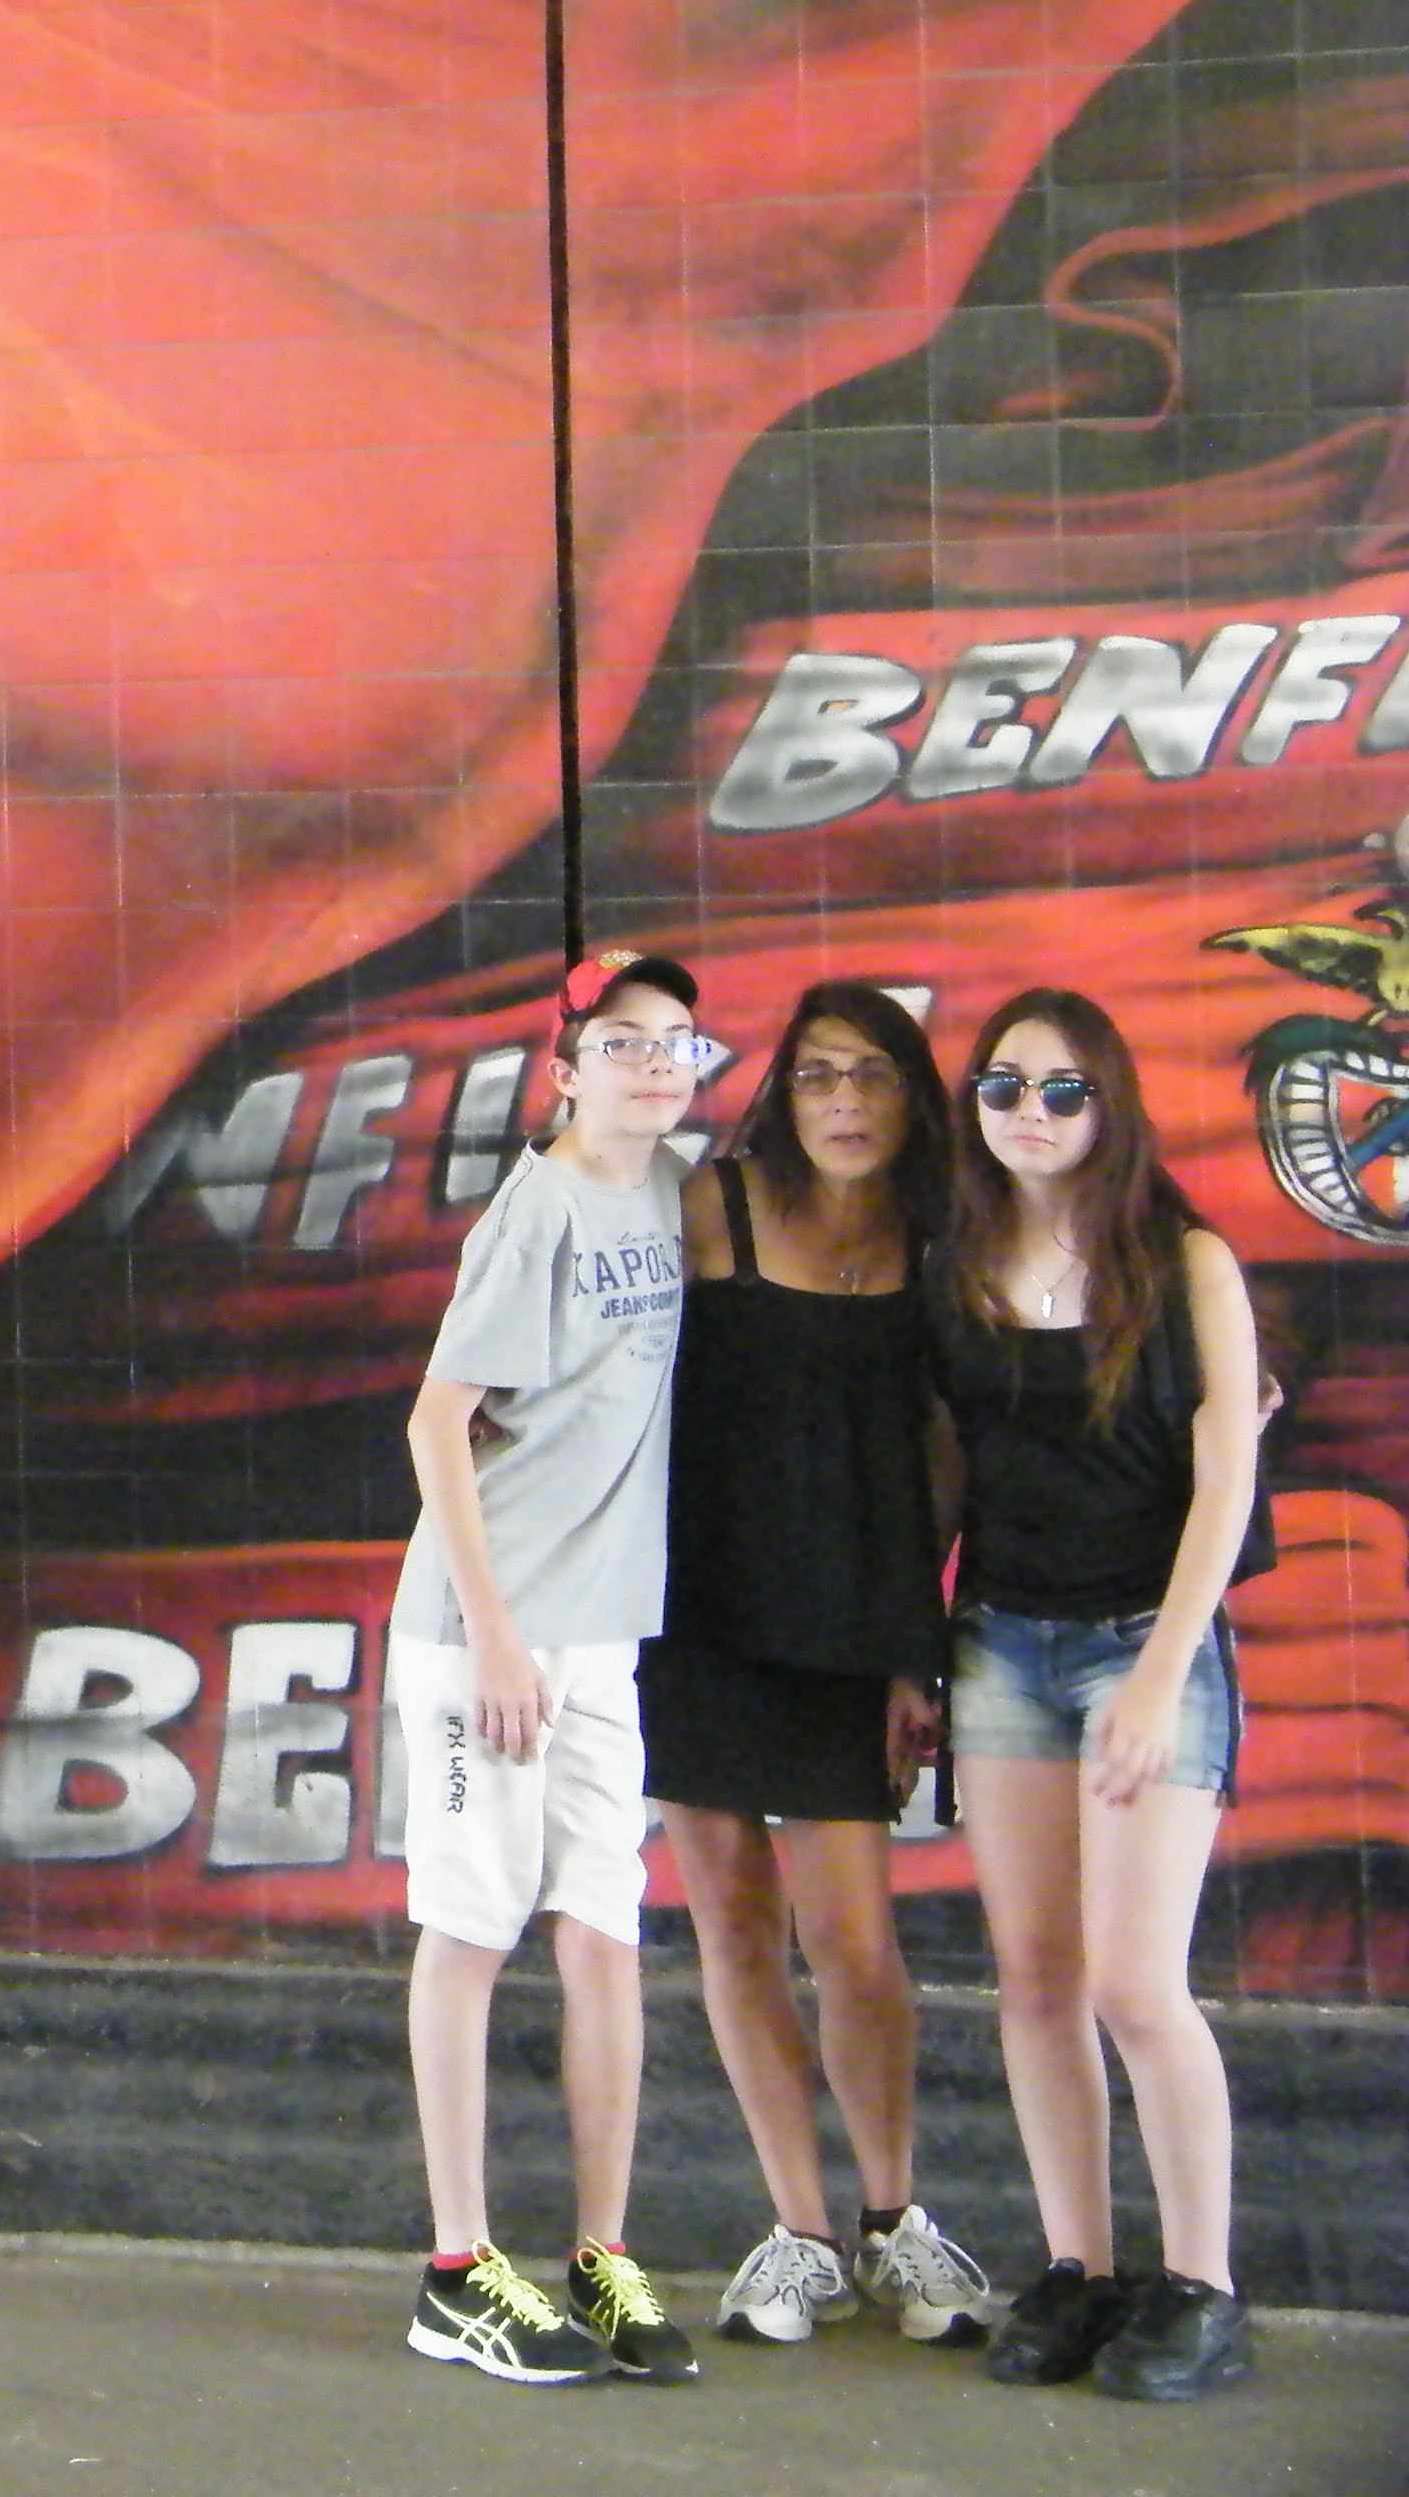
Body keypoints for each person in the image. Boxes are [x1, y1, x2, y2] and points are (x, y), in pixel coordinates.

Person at [644, 984, 997, 2350]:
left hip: (855, 1617)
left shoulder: (940, 1239)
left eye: (873, 1076)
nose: (844, 1102)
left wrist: (918, 1647)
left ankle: (895, 2220)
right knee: (735, 1929)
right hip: (694, 1612)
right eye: (817, 1075)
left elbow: (944, 1457)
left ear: (914, 1098)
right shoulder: (713, 1206)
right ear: (783, 1094)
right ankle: (798, 2233)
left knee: (855, 1943)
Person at [933, 988, 1266, 2402]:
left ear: (1109, 1105)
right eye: (1006, 1087)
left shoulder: (1186, 1261)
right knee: (1037, 1980)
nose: (1032, 1113)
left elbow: (1226, 1478)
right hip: (1001, 1644)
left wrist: (1161, 1670)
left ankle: (1202, 2287)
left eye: (1064, 1090)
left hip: (1146, 1642)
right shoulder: (957, 1264)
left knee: (1135, 1983)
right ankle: (1080, 2269)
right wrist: (915, 1652)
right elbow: (945, 1467)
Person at [393, 947, 711, 2385]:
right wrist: (496, 1636)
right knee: (472, 1935)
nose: (654, 1062)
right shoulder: (537, 1216)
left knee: (601, 1934)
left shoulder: (669, 1185)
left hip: (602, 1629)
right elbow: (435, 1423)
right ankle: (456, 2272)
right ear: (567, 1068)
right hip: (492, 1637)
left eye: (676, 1040)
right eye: (623, 1041)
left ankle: (601, 2254)